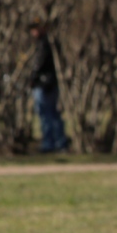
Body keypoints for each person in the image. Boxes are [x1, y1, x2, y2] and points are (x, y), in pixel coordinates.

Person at [28, 20, 68, 154]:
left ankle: (51, 143)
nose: (33, 32)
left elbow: (40, 64)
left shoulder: (45, 44)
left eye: (35, 28)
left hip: (45, 85)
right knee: (50, 114)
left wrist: (33, 78)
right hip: (48, 84)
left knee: (47, 114)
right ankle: (57, 142)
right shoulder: (46, 43)